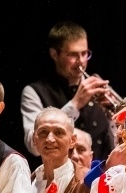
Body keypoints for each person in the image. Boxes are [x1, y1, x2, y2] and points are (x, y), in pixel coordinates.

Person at [21, 21, 116, 162]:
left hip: (99, 176)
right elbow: (33, 145)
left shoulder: (96, 85)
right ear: (54, 54)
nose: (81, 61)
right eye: (73, 55)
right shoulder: (34, 92)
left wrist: (113, 116)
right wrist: (76, 103)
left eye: (85, 54)